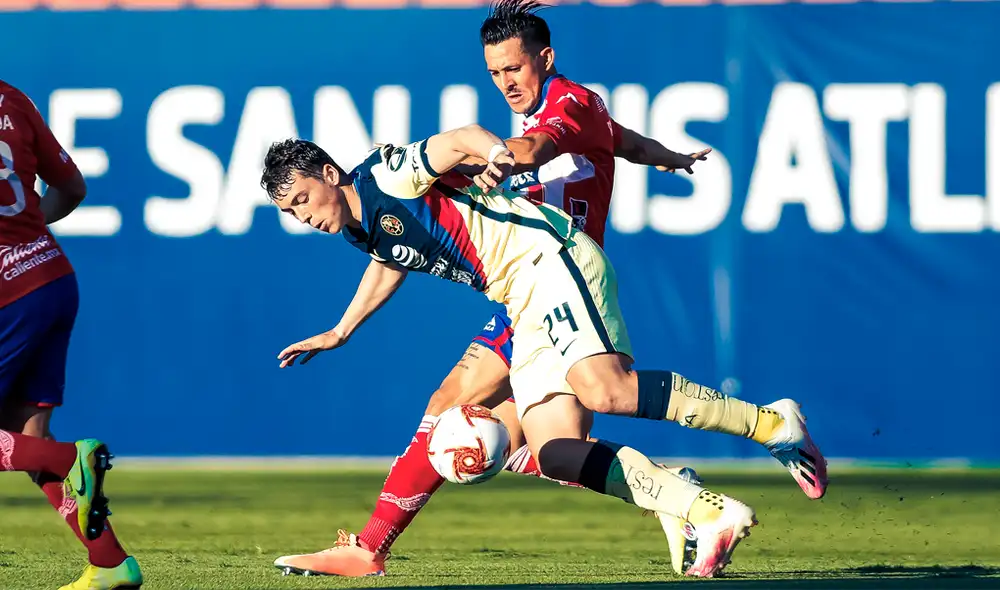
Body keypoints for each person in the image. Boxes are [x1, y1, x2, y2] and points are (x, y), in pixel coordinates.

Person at [273, 0, 722, 578]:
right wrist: (669, 156)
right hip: (530, 287)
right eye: (494, 72)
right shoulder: (564, 115)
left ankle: (369, 547)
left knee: (457, 410)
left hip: (553, 278)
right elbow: (623, 142)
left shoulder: (565, 105)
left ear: (544, 58)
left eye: (513, 67)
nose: (505, 82)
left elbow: (530, 148)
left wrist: (500, 156)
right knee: (527, 446)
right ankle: (676, 494)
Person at [258, 119, 823, 576]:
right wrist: (342, 330)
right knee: (555, 452)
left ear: (329, 173)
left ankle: (770, 424)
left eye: (303, 199)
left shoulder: (386, 173)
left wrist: (495, 153)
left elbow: (459, 138)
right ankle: (690, 502)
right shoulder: (358, 225)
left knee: (604, 392)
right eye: (291, 212)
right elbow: (390, 258)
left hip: (549, 260)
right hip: (519, 298)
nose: (303, 217)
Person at [0, 80, 143, 590]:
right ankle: (111, 562)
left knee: (44, 450)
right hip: (50, 275)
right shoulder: (11, 99)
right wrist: (25, 231)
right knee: (25, 435)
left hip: (6, 294)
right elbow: (72, 188)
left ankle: (71, 460)